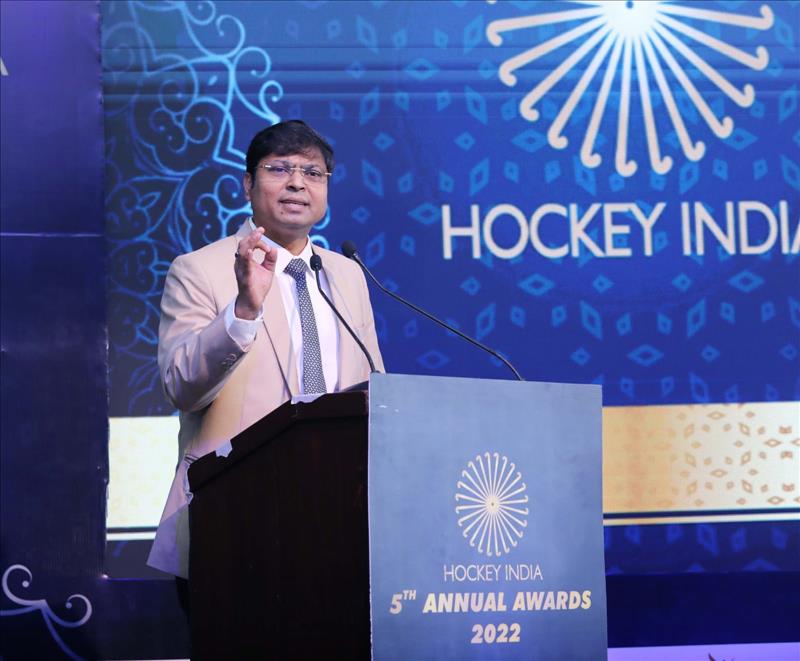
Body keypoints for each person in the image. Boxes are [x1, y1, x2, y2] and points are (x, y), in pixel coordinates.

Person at [147, 120, 384, 580]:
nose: (297, 183)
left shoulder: (348, 274)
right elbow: (181, 386)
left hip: (339, 515)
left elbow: (373, 388)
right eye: (279, 169)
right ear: (248, 184)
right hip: (234, 516)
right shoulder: (200, 269)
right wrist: (243, 311)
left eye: (312, 173)